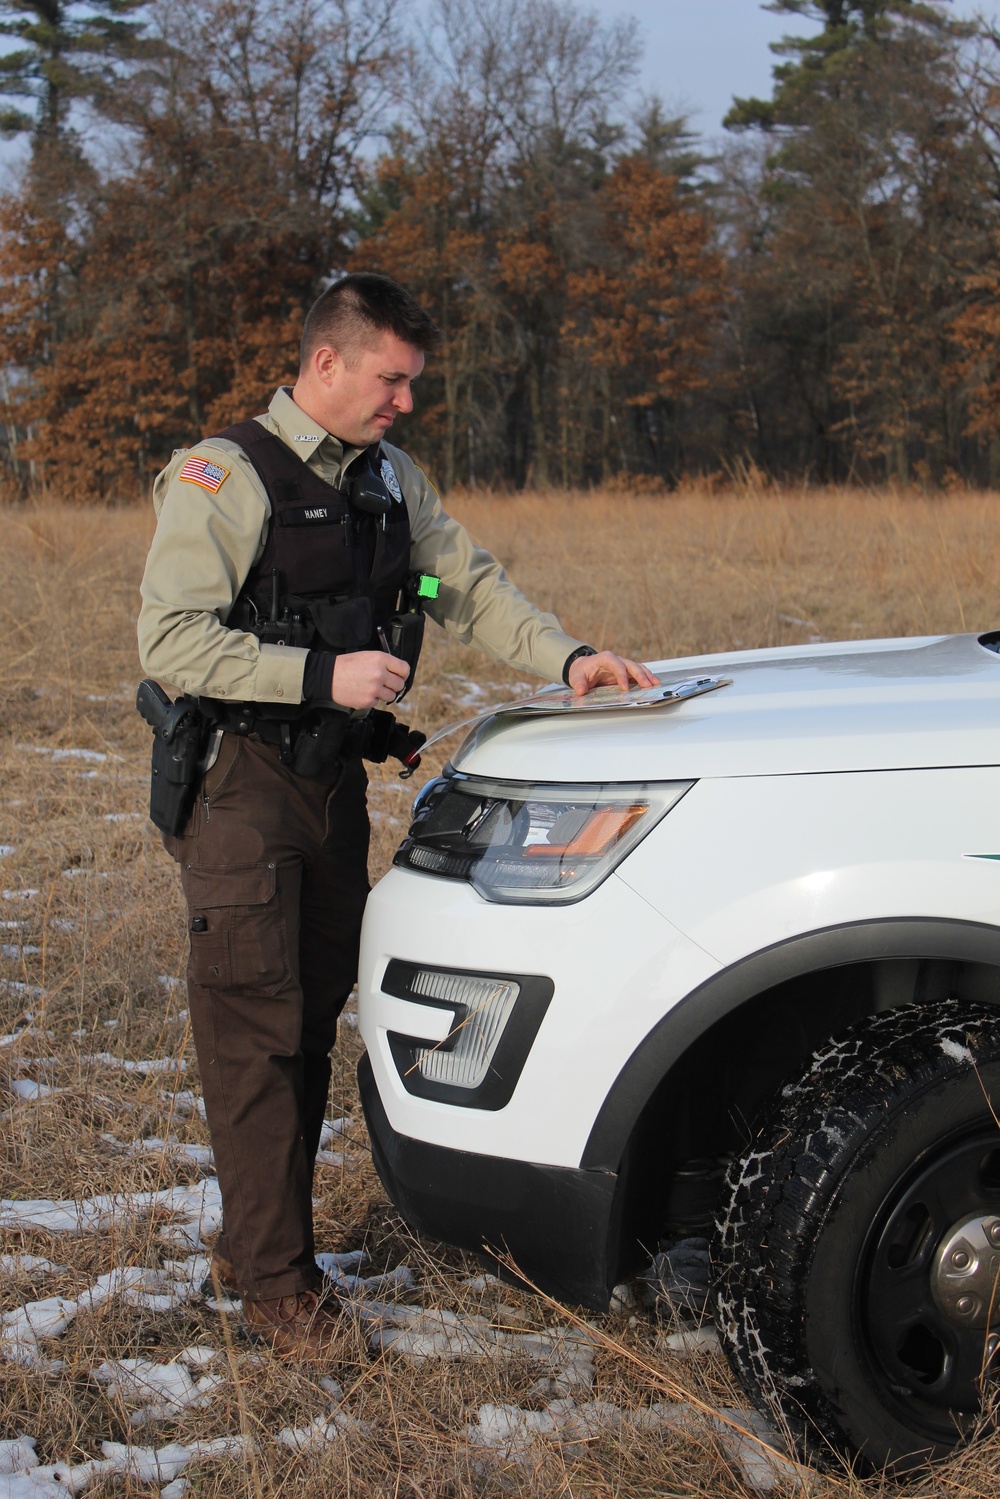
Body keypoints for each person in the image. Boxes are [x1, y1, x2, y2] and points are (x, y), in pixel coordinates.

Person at [138, 272, 656, 1359]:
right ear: (326, 361)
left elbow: (464, 584)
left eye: (413, 382)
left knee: (311, 1011)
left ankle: (256, 1239)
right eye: (392, 379)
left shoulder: (388, 479)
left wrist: (568, 658)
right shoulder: (222, 476)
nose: (405, 402)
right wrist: (323, 675)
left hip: (330, 786)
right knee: (255, 1032)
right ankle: (277, 1286)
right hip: (241, 785)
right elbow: (171, 644)